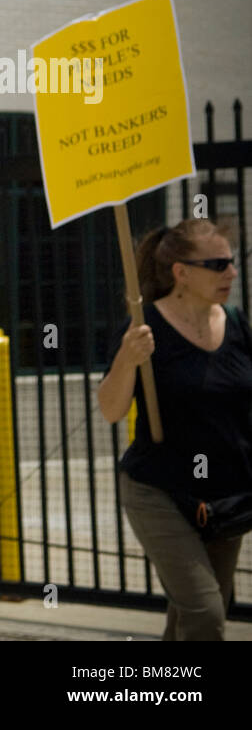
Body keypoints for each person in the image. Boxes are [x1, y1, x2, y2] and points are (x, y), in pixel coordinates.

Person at [98, 218, 252, 640]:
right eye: (218, 264)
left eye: (232, 262)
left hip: (225, 494)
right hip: (159, 490)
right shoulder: (143, 327)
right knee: (204, 611)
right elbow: (111, 410)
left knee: (190, 617)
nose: (231, 273)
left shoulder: (237, 324)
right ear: (181, 273)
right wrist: (126, 360)